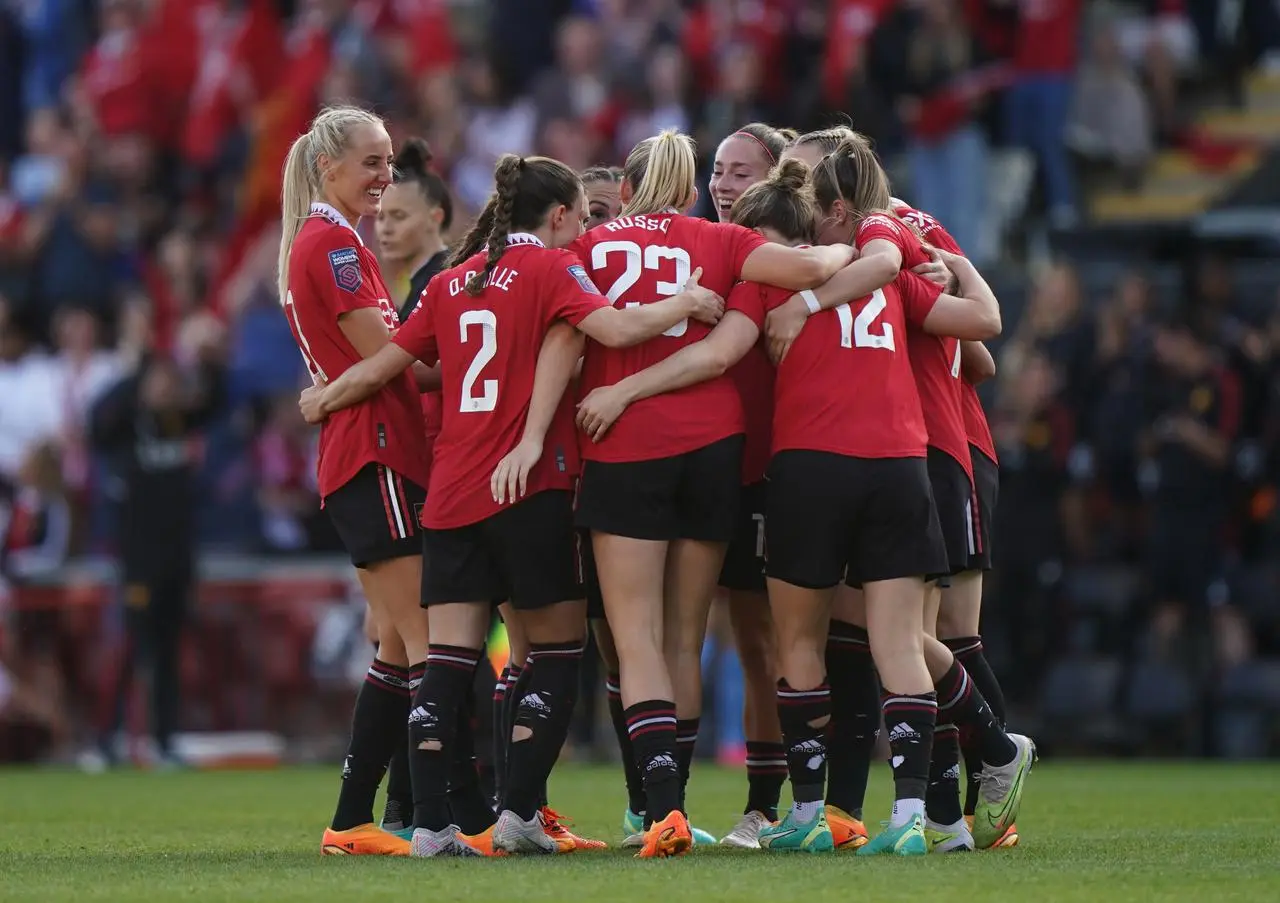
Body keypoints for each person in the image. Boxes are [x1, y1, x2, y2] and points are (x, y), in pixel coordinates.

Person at [298, 151, 726, 856]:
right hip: (529, 486)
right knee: (560, 647)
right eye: (579, 219)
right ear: (558, 216)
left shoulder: (451, 280)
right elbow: (616, 330)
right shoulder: (555, 270)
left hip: (452, 493)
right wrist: (686, 302)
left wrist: (324, 396)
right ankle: (521, 811)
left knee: (447, 661)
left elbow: (394, 365)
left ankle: (434, 827)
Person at [569, 128, 854, 858]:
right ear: (694, 187)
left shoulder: (587, 246)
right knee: (684, 638)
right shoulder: (718, 241)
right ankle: (687, 807)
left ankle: (657, 810)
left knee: (633, 639)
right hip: (713, 447)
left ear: (626, 190)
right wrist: (857, 245)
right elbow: (817, 260)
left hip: (623, 440)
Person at [765, 135, 1034, 852]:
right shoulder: (866, 257)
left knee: (937, 636)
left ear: (838, 195)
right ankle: (929, 815)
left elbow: (976, 340)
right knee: (886, 637)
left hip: (931, 447)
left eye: (804, 165)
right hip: (899, 453)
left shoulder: (887, 231)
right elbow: (974, 346)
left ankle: (983, 777)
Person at [276, 105, 432, 857]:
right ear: (328, 167)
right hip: (378, 450)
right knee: (437, 645)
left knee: (399, 646)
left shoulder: (332, 243)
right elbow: (395, 351)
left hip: (359, 454)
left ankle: (353, 817)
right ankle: (451, 816)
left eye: (389, 161)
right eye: (371, 161)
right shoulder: (334, 248)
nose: (384, 176)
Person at [706, 122, 798, 849]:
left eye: (741, 173)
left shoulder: (786, 260)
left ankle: (821, 798)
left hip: (788, 469)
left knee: (808, 641)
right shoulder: (705, 251)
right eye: (718, 171)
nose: (724, 184)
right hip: (724, 471)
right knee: (752, 643)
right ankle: (766, 803)